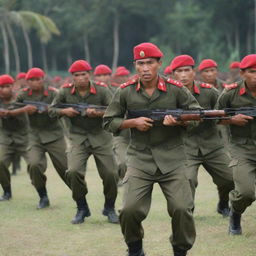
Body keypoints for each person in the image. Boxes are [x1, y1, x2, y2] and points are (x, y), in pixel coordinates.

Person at [104, 43, 198, 256]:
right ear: (135, 65)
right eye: (140, 63)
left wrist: (178, 122)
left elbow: (196, 115)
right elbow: (108, 121)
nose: (145, 68)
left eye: (150, 63)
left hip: (173, 157)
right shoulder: (125, 91)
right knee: (129, 210)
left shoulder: (176, 89)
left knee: (182, 208)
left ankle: (180, 249)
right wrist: (132, 123)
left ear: (159, 64)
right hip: (140, 158)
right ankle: (135, 248)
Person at [49, 60, 119, 224]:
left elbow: (114, 110)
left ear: (90, 74)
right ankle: (82, 207)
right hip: (77, 138)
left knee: (111, 174)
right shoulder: (65, 91)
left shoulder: (101, 89)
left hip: (101, 137)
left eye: (84, 74)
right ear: (72, 76)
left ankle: (109, 207)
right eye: (76, 75)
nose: (80, 78)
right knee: (72, 172)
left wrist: (97, 113)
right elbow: (52, 110)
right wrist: (64, 111)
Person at [170, 55, 234, 217]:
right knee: (188, 180)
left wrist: (230, 118)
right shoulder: (168, 94)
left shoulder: (209, 92)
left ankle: (223, 202)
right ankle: (188, 212)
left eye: (187, 70)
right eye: (179, 71)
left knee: (230, 179)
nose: (183, 75)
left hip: (212, 144)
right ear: (173, 74)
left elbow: (224, 111)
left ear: (194, 72)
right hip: (185, 147)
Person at [11, 67, 69, 209]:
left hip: (54, 135)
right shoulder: (23, 95)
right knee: (34, 165)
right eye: (31, 80)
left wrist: (50, 110)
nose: (35, 82)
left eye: (38, 79)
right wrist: (24, 110)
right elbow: (11, 110)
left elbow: (63, 109)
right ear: (27, 81)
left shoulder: (54, 94)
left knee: (66, 169)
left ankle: (80, 196)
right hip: (34, 137)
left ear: (43, 79)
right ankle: (43, 196)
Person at [217, 54, 256, 235]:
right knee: (246, 192)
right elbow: (216, 117)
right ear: (242, 73)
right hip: (242, 148)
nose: (255, 76)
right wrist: (232, 119)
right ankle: (235, 213)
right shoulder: (230, 93)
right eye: (252, 72)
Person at [0, 75, 29, 201]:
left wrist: (9, 112)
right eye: (1, 87)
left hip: (25, 136)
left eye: (8, 86)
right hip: (6, 137)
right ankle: (7, 191)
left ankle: (42, 194)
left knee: (35, 165)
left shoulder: (20, 98)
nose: (5, 89)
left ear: (13, 86)